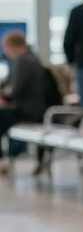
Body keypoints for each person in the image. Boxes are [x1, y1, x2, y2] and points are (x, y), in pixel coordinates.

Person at [0, 30, 48, 176]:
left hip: (28, 112)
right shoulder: (29, 58)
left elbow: (16, 90)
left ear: (10, 45)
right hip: (32, 110)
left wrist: (4, 98)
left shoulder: (23, 61)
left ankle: (4, 159)